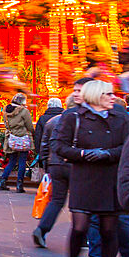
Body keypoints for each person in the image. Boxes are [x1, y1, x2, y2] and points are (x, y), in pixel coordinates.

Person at [51, 79, 129, 257]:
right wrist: (85, 154)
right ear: (96, 95)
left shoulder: (121, 118)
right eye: (108, 94)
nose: (113, 97)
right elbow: (59, 146)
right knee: (79, 227)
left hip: (110, 178)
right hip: (84, 178)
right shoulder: (73, 117)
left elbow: (128, 147)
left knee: (109, 230)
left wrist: (108, 154)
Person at [33, 94, 78, 248]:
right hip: (73, 163)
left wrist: (46, 165)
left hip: (55, 164)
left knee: (57, 200)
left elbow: (44, 144)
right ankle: (81, 235)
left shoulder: (52, 121)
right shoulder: (80, 120)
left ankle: (42, 229)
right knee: (79, 202)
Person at [0, 93, 35, 192]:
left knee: (12, 161)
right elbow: (29, 126)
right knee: (22, 161)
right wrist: (33, 133)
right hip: (23, 138)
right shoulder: (24, 111)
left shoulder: (6, 111)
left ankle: (3, 181)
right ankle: (19, 184)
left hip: (11, 139)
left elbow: (6, 125)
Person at [34, 97, 65, 163]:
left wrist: (39, 151)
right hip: (61, 150)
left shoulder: (42, 118)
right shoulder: (64, 117)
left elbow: (38, 135)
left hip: (47, 150)